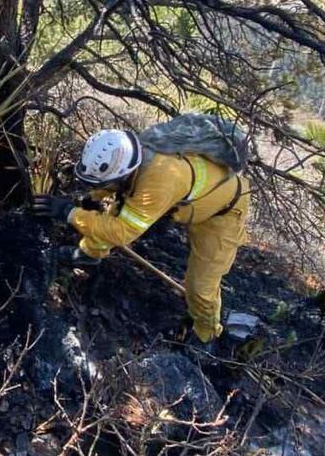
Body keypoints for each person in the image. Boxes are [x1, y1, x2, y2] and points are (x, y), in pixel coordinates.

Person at [33, 127, 250, 344]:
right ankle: (89, 254)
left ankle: (207, 334)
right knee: (108, 219)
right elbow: (114, 182)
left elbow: (121, 233)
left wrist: (70, 213)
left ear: (125, 174)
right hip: (187, 198)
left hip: (223, 213)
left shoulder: (157, 183)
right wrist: (94, 196)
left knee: (200, 286)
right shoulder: (136, 152)